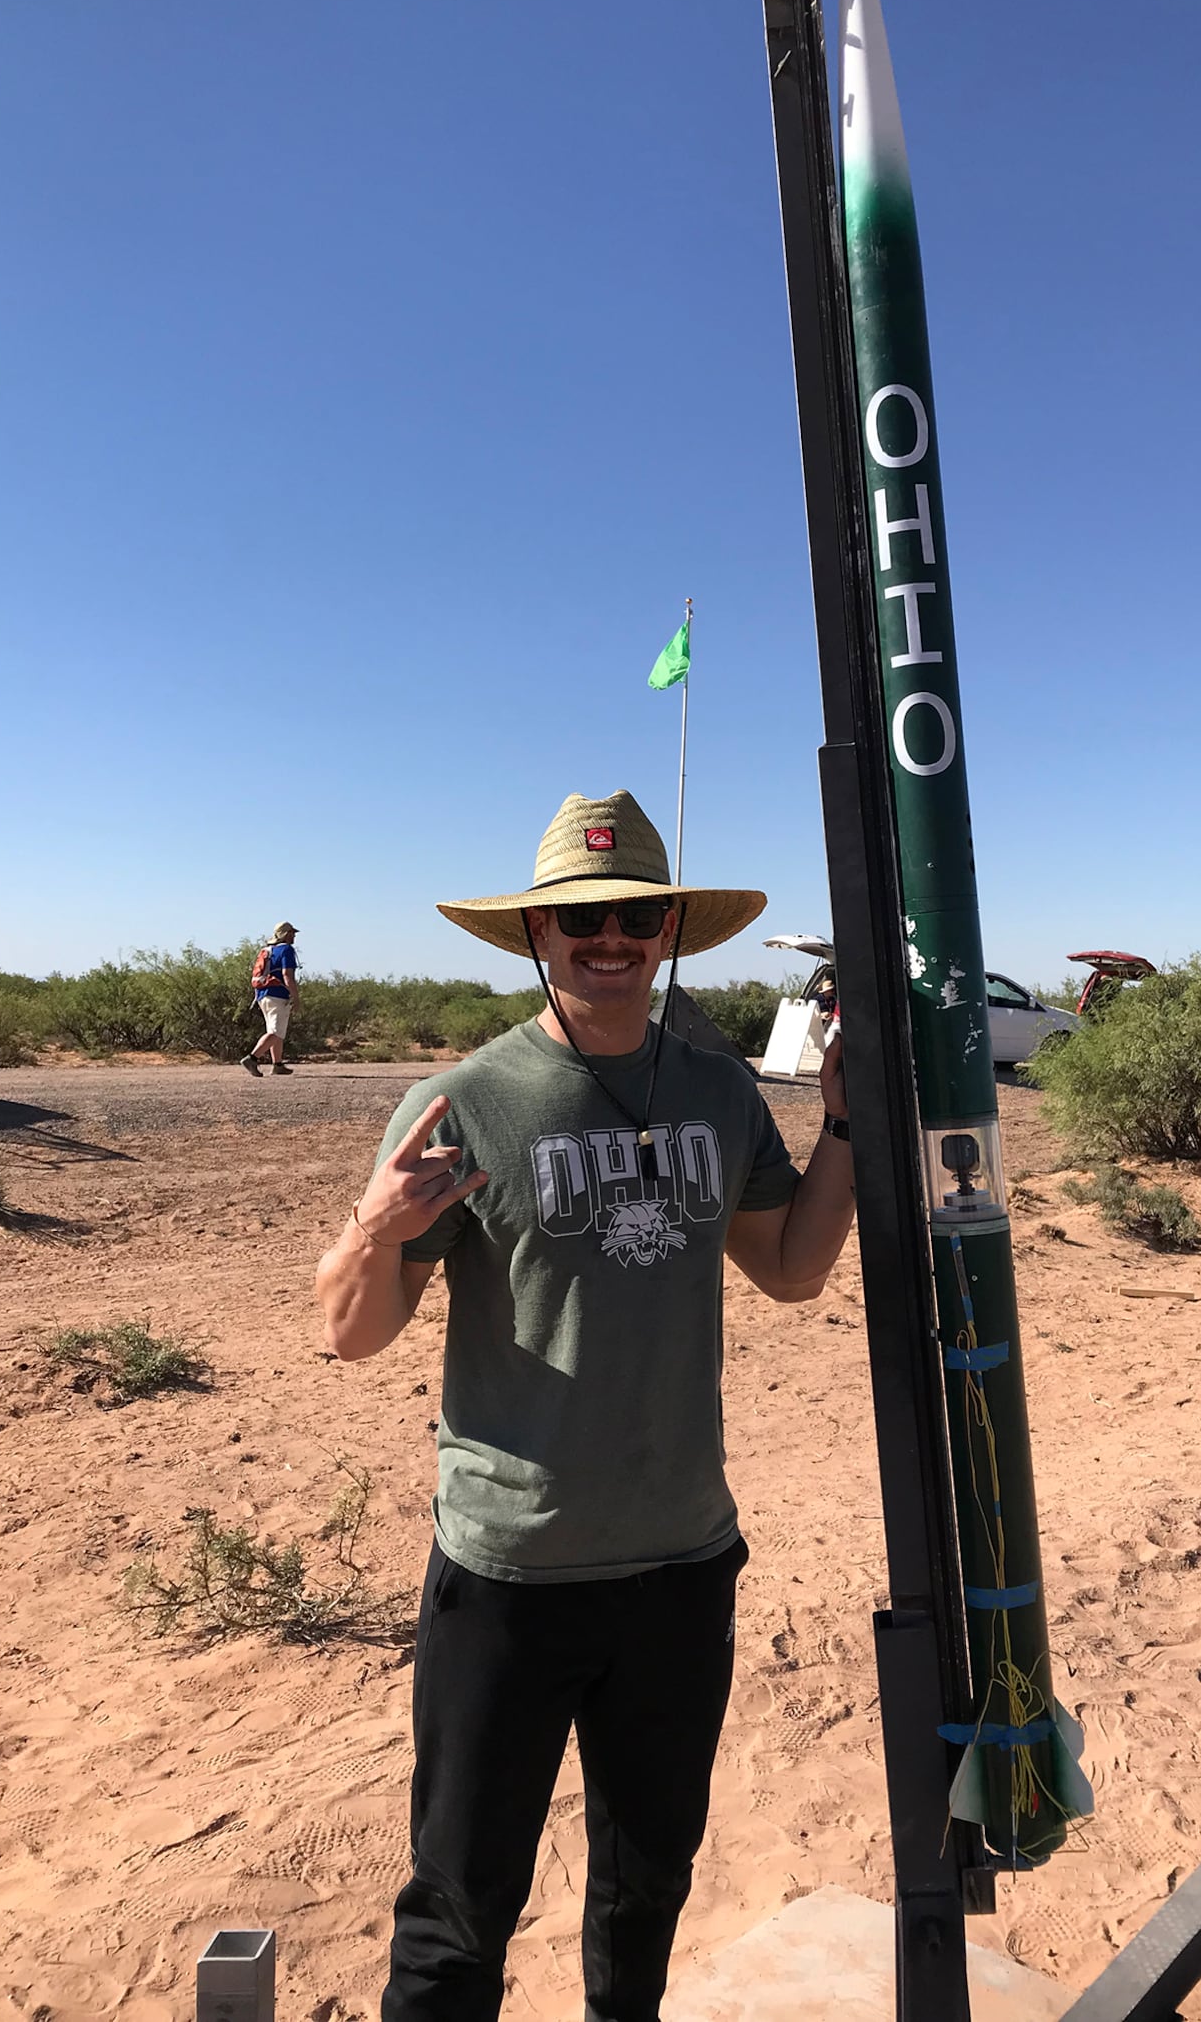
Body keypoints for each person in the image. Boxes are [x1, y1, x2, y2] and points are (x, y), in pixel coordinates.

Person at [314, 790, 856, 2022]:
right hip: (510, 1573)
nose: (607, 940)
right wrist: (376, 1226)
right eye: (579, 921)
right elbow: (349, 1337)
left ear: (667, 928)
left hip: (679, 1563)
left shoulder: (717, 1091)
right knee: (460, 1907)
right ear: (535, 937)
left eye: (633, 917)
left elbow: (790, 1270)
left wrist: (843, 1126)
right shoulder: (466, 1102)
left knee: (646, 1881)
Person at [241, 922, 300, 1075]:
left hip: (262, 995)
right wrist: (296, 997)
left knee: (276, 1030)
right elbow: (287, 976)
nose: (293, 936)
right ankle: (252, 1058)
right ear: (286, 934)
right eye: (292, 933)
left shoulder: (268, 950)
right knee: (275, 1032)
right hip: (278, 994)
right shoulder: (286, 950)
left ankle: (277, 1064)